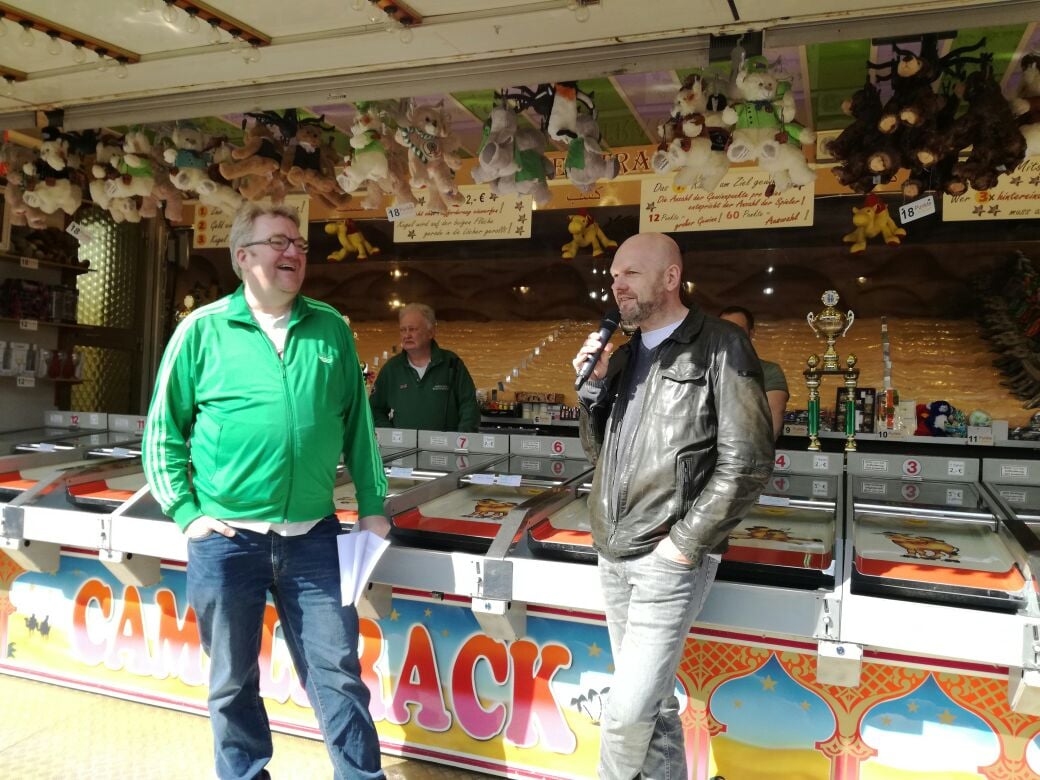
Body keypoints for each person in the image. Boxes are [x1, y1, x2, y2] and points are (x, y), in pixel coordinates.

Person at [143, 203, 389, 780]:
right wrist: (187, 513)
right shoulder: (201, 330)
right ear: (243, 256)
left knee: (338, 673)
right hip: (227, 539)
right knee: (232, 681)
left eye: (299, 244)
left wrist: (373, 506)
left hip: (314, 537)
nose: (294, 252)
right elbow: (162, 431)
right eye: (279, 242)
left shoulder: (330, 328)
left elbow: (359, 427)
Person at [572, 232, 774, 780]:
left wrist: (682, 547)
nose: (617, 285)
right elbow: (600, 454)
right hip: (613, 552)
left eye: (631, 274)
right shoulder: (622, 357)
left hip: (667, 557)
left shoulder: (722, 346)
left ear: (670, 277)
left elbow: (749, 461)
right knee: (655, 704)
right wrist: (591, 393)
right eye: (614, 276)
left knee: (624, 714)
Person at [369, 302, 480, 432]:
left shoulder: (451, 363)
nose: (407, 335)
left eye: (412, 329)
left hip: (446, 445)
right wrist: (391, 435)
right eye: (403, 330)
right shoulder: (392, 368)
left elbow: (469, 406)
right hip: (403, 445)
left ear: (431, 332)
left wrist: (461, 438)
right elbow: (374, 410)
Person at [719, 305, 790, 439]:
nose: (730, 335)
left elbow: (774, 413)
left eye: (738, 329)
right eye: (724, 329)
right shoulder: (705, 369)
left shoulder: (769, 371)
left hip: (749, 449)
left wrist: (759, 450)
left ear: (751, 333)